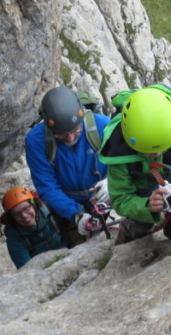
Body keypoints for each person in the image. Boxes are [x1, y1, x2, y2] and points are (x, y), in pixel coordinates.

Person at [98, 85, 171, 247]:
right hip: (142, 196)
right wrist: (147, 207)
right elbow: (121, 199)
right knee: (138, 230)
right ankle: (131, 227)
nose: (157, 154)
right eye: (148, 151)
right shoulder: (119, 152)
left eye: (162, 148)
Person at [25, 87, 110, 249]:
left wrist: (112, 182)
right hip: (64, 204)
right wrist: (75, 214)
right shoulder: (36, 140)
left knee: (106, 242)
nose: (70, 138)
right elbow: (47, 186)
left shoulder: (102, 125)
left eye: (75, 130)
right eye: (61, 134)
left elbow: (121, 161)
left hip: (102, 196)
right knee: (77, 246)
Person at [0, 186, 65, 269]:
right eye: (17, 214)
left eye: (26, 208)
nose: (24, 216)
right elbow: (26, 269)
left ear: (33, 205)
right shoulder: (14, 237)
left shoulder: (51, 211)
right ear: (12, 218)